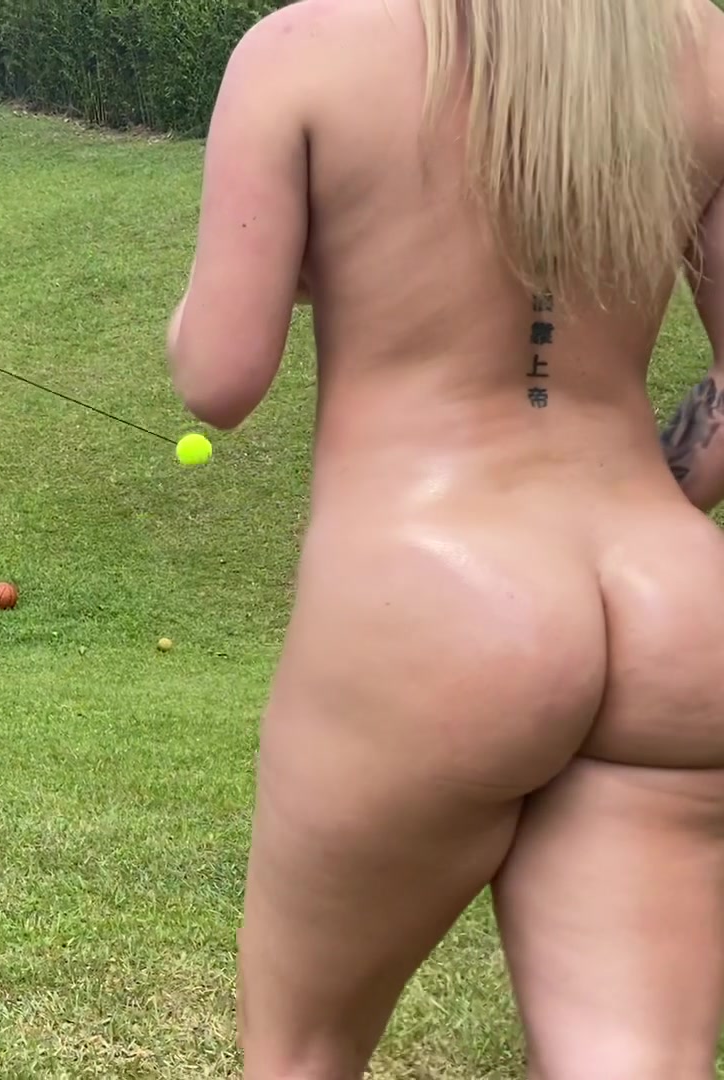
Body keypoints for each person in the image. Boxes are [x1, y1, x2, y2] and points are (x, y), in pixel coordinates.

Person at [166, 0, 724, 1076]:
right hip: (676, 601)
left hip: (433, 594)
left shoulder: (305, 50)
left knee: (302, 1054)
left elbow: (219, 377)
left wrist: (215, 294)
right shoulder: (702, 49)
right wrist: (649, 499)